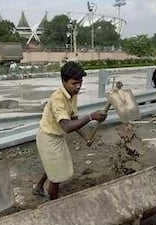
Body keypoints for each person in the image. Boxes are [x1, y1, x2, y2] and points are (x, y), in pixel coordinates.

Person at [33, 61, 107, 200]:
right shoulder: (58, 99)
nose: (78, 86)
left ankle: (38, 187)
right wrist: (91, 116)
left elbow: (73, 118)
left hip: (57, 137)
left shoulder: (72, 94)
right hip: (48, 137)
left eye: (80, 82)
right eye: (74, 83)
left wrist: (85, 137)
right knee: (57, 175)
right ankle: (54, 205)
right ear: (64, 81)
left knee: (54, 165)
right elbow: (67, 126)